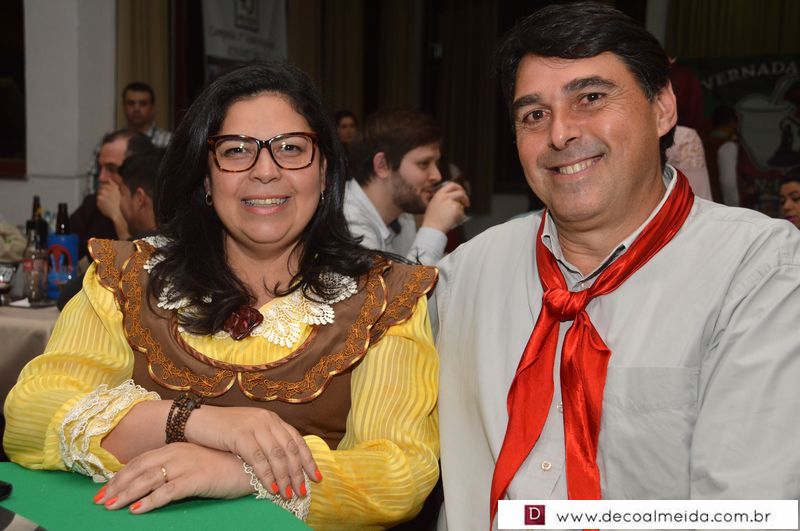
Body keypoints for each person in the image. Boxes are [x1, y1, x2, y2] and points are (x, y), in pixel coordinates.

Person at [4, 62, 439, 528]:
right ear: (207, 178)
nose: (265, 171)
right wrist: (192, 423)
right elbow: (30, 415)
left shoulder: (385, 297)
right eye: (236, 151)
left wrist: (242, 472)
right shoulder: (126, 277)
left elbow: (399, 472)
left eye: (291, 148)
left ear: (324, 171)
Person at [431, 3, 800, 530]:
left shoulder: (757, 270)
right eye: (534, 115)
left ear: (663, 108)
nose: (560, 133)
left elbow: (744, 514)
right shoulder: (466, 275)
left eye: (590, 98)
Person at [345, 109, 469, 265]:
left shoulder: (403, 217)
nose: (437, 176)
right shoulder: (347, 225)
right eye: (424, 164)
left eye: (436, 163)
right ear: (382, 165)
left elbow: (405, 272)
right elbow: (402, 282)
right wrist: (434, 227)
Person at [57, 147, 162, 311]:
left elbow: (68, 299)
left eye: (122, 193)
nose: (119, 202)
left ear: (139, 199)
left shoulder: (148, 246)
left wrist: (121, 227)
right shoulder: (184, 239)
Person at [70, 130, 154, 258]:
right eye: (100, 168)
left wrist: (118, 218)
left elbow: (141, 265)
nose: (101, 177)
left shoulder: (149, 211)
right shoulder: (93, 204)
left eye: (111, 169)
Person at [86, 82, 172, 194]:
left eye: (143, 103)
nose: (136, 108)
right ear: (123, 106)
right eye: (131, 103)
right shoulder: (109, 141)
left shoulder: (169, 141)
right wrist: (98, 200)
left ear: (152, 107)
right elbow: (93, 175)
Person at [703, 105, 740, 206]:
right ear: (732, 123)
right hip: (721, 205)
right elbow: (728, 183)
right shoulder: (728, 146)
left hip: (705, 202)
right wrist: (734, 207)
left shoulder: (701, 143)